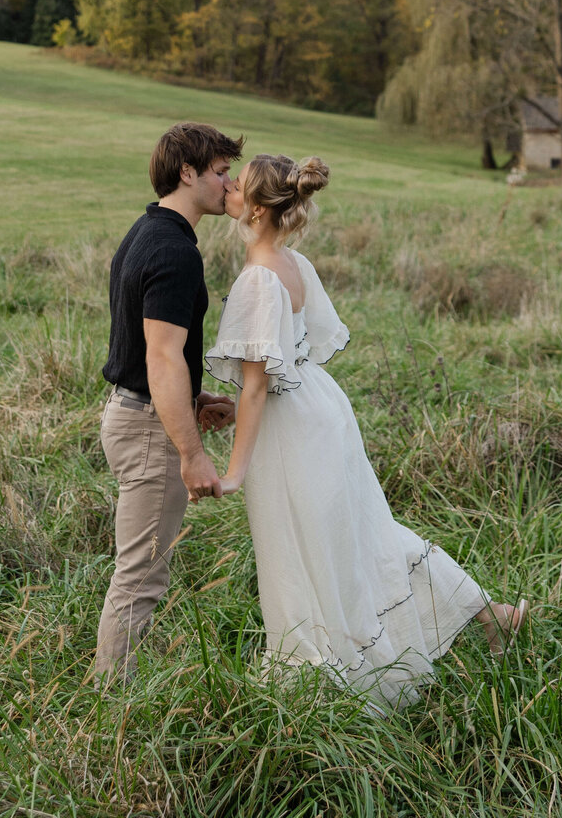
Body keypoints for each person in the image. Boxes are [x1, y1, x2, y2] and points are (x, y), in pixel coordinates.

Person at [205, 153, 529, 705]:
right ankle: (486, 613)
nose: (228, 190)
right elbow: (287, 361)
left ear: (257, 210)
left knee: (306, 546)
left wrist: (234, 472)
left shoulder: (258, 278)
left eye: (237, 186)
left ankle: (328, 668)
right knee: (356, 536)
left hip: (292, 427)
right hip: (319, 407)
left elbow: (258, 384)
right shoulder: (292, 262)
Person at [94, 120, 245, 680]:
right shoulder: (177, 254)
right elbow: (159, 359)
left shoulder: (145, 231)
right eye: (221, 172)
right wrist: (191, 453)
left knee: (137, 573)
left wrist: (196, 393)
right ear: (188, 172)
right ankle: (113, 707)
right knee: (139, 579)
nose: (229, 185)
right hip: (148, 427)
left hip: (131, 410)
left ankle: (117, 687)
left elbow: (149, 350)